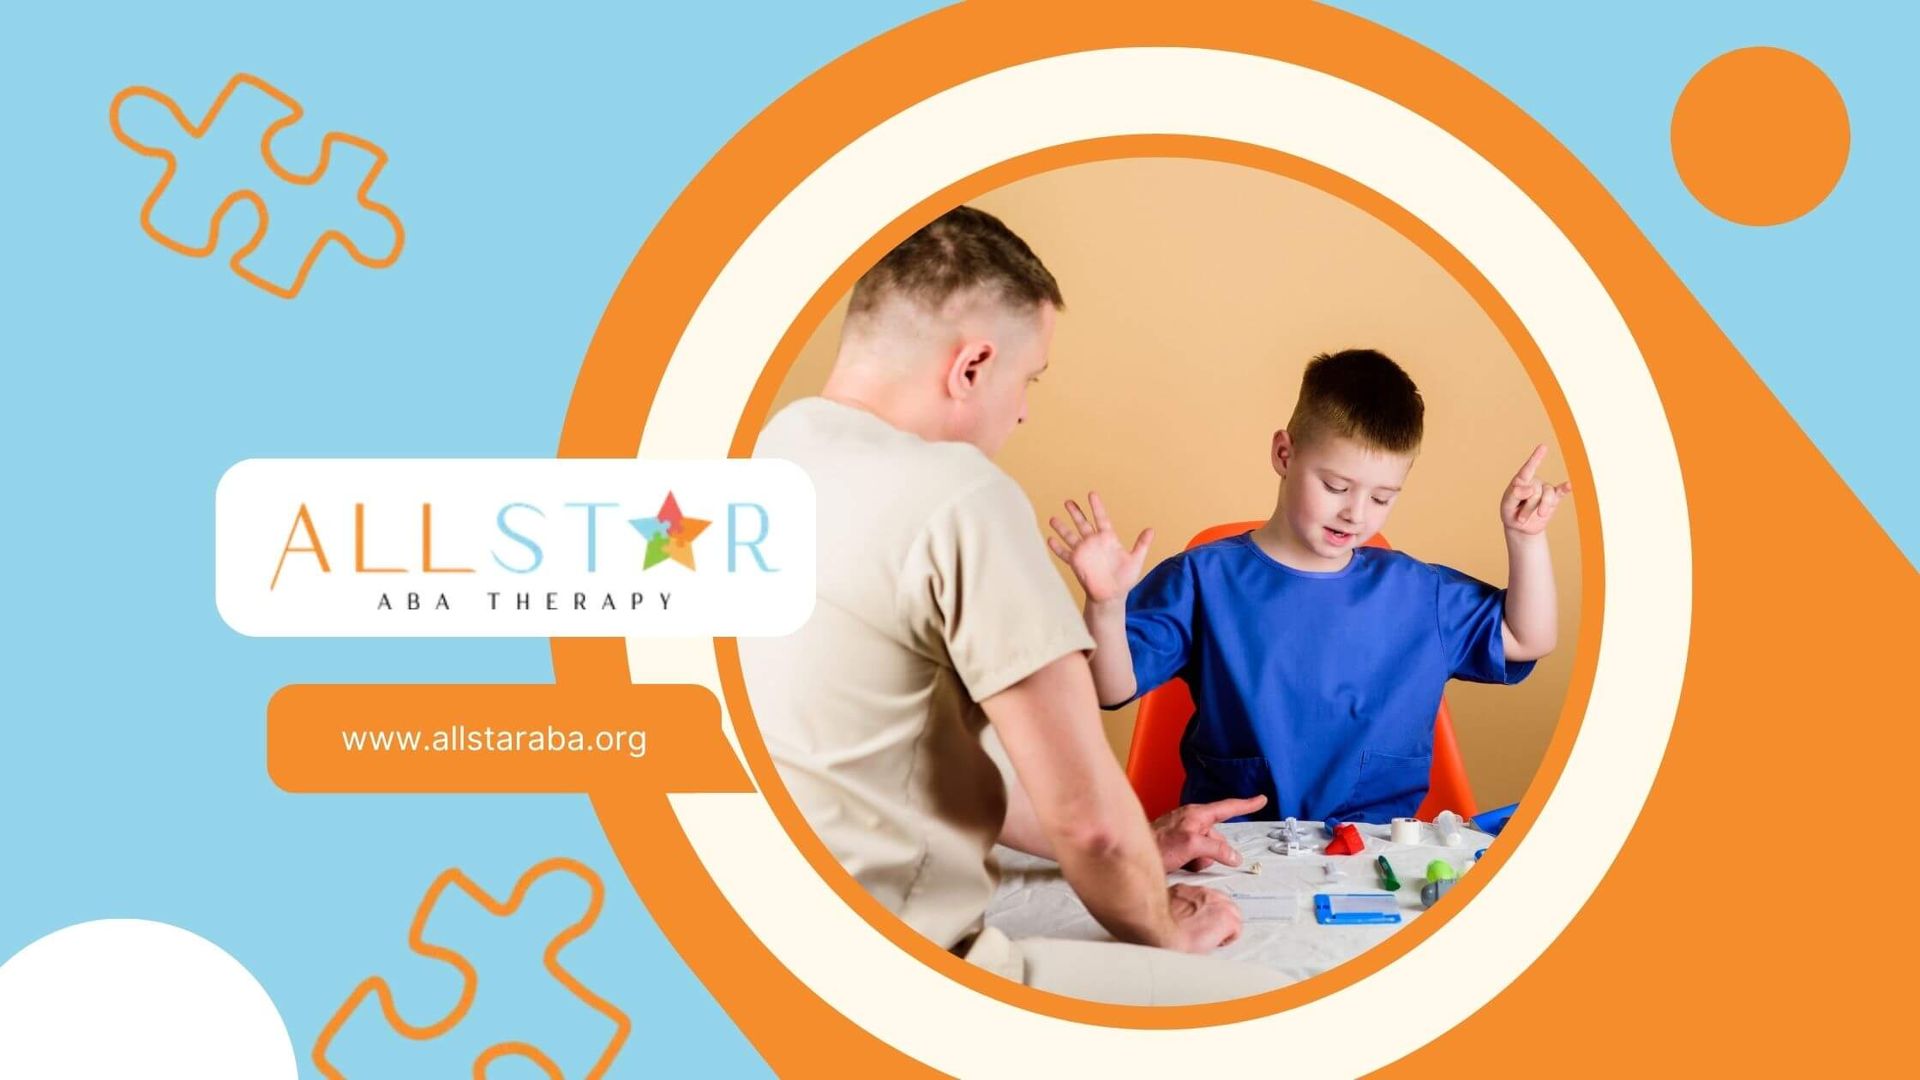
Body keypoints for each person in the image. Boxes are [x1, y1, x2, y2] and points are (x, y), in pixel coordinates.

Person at [740, 206, 1281, 1004]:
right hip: (900, 971)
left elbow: (900, 764)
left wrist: (1148, 840)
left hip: (767, 935)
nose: (1024, 410)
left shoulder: (771, 457)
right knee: (1275, 995)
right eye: (1028, 380)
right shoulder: (960, 495)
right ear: (972, 366)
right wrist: (1167, 931)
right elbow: (1091, 825)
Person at [1051, 349, 1570, 823]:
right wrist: (1105, 604)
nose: (1355, 513)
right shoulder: (1201, 580)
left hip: (1373, 853)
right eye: (1335, 486)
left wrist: (1525, 539)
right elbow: (1106, 688)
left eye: (1383, 497)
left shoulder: (1418, 594)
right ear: (1283, 454)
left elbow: (1529, 638)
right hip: (1235, 849)